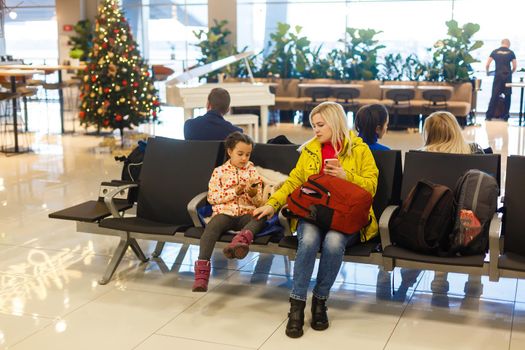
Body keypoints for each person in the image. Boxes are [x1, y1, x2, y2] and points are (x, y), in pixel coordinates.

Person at [253, 101, 378, 338]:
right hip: (313, 213)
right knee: (308, 240)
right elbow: (293, 182)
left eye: (320, 125)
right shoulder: (310, 150)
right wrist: (272, 204)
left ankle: (320, 301)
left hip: (345, 216)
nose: (316, 130)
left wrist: (345, 175)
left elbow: (371, 188)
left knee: (333, 242)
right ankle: (296, 305)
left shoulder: (359, 150)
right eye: (314, 125)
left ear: (334, 122)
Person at [420, 110, 484, 301]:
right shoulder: (475, 153)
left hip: (433, 225)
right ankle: (474, 283)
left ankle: (439, 280)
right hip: (468, 225)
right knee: (474, 216)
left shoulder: (421, 157)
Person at [193, 132, 266, 292]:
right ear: (229, 152)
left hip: (246, 214)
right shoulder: (219, 172)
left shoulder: (252, 172)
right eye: (240, 154)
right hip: (225, 214)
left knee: (260, 217)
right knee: (212, 227)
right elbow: (212, 197)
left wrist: (254, 196)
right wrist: (235, 192)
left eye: (247, 154)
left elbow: (260, 201)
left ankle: (239, 242)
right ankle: (201, 275)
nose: (244, 158)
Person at [485, 39, 517, 121]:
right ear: (508, 44)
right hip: (507, 77)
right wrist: (511, 73)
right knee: (507, 96)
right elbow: (514, 66)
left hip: (498, 76)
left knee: (494, 96)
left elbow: (487, 64)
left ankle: (489, 116)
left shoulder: (495, 51)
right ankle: (505, 116)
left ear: (502, 43)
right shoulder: (511, 52)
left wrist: (487, 72)